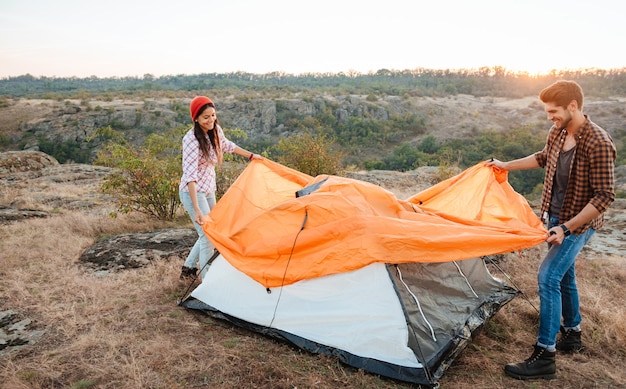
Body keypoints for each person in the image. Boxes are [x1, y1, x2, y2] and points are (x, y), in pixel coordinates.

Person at [486, 80, 615, 380]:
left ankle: (545, 355)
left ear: (573, 106)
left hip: (577, 224)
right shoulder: (557, 131)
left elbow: (604, 196)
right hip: (554, 216)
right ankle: (572, 334)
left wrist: (567, 229)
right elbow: (542, 158)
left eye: (553, 111)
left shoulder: (598, 141)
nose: (549, 117)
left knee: (548, 276)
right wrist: (505, 165)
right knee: (564, 275)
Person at [179, 95, 262, 281]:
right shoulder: (191, 140)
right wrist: (197, 209)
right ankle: (207, 282)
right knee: (208, 235)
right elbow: (190, 176)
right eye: (205, 117)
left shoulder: (216, 129)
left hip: (209, 188)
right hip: (193, 192)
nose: (210, 120)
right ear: (196, 118)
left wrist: (251, 156)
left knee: (211, 230)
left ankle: (188, 268)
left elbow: (227, 146)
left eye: (213, 115)